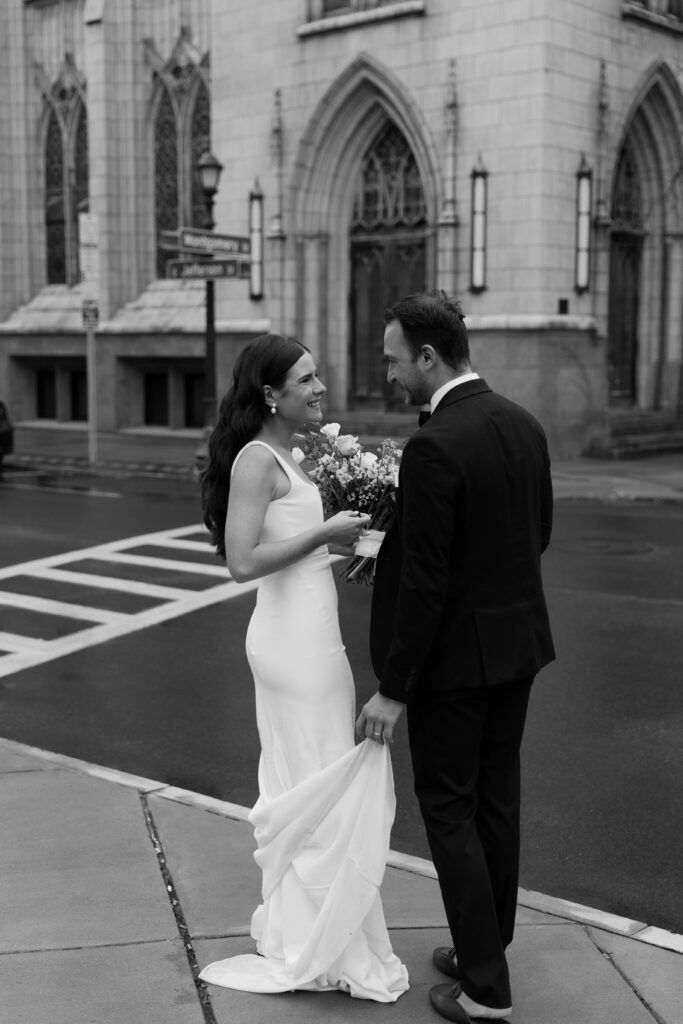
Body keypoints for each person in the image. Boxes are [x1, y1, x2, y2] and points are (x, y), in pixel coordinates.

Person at [356, 291, 555, 1023]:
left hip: (453, 666)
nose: (390, 374)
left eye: (393, 359)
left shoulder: (435, 445)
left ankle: (484, 992)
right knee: (495, 803)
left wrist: (392, 688)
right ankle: (486, 948)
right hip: (517, 648)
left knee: (448, 809)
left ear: (429, 357)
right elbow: (535, 535)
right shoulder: (523, 423)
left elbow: (426, 584)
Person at [198, 333, 409, 1002]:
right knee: (317, 781)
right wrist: (324, 532)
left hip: (312, 632)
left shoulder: (289, 455)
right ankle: (316, 943)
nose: (320, 389)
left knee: (314, 779)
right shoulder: (257, 460)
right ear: (271, 394)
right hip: (290, 646)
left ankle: (313, 933)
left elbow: (296, 553)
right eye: (307, 379)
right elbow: (239, 563)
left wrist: (356, 549)